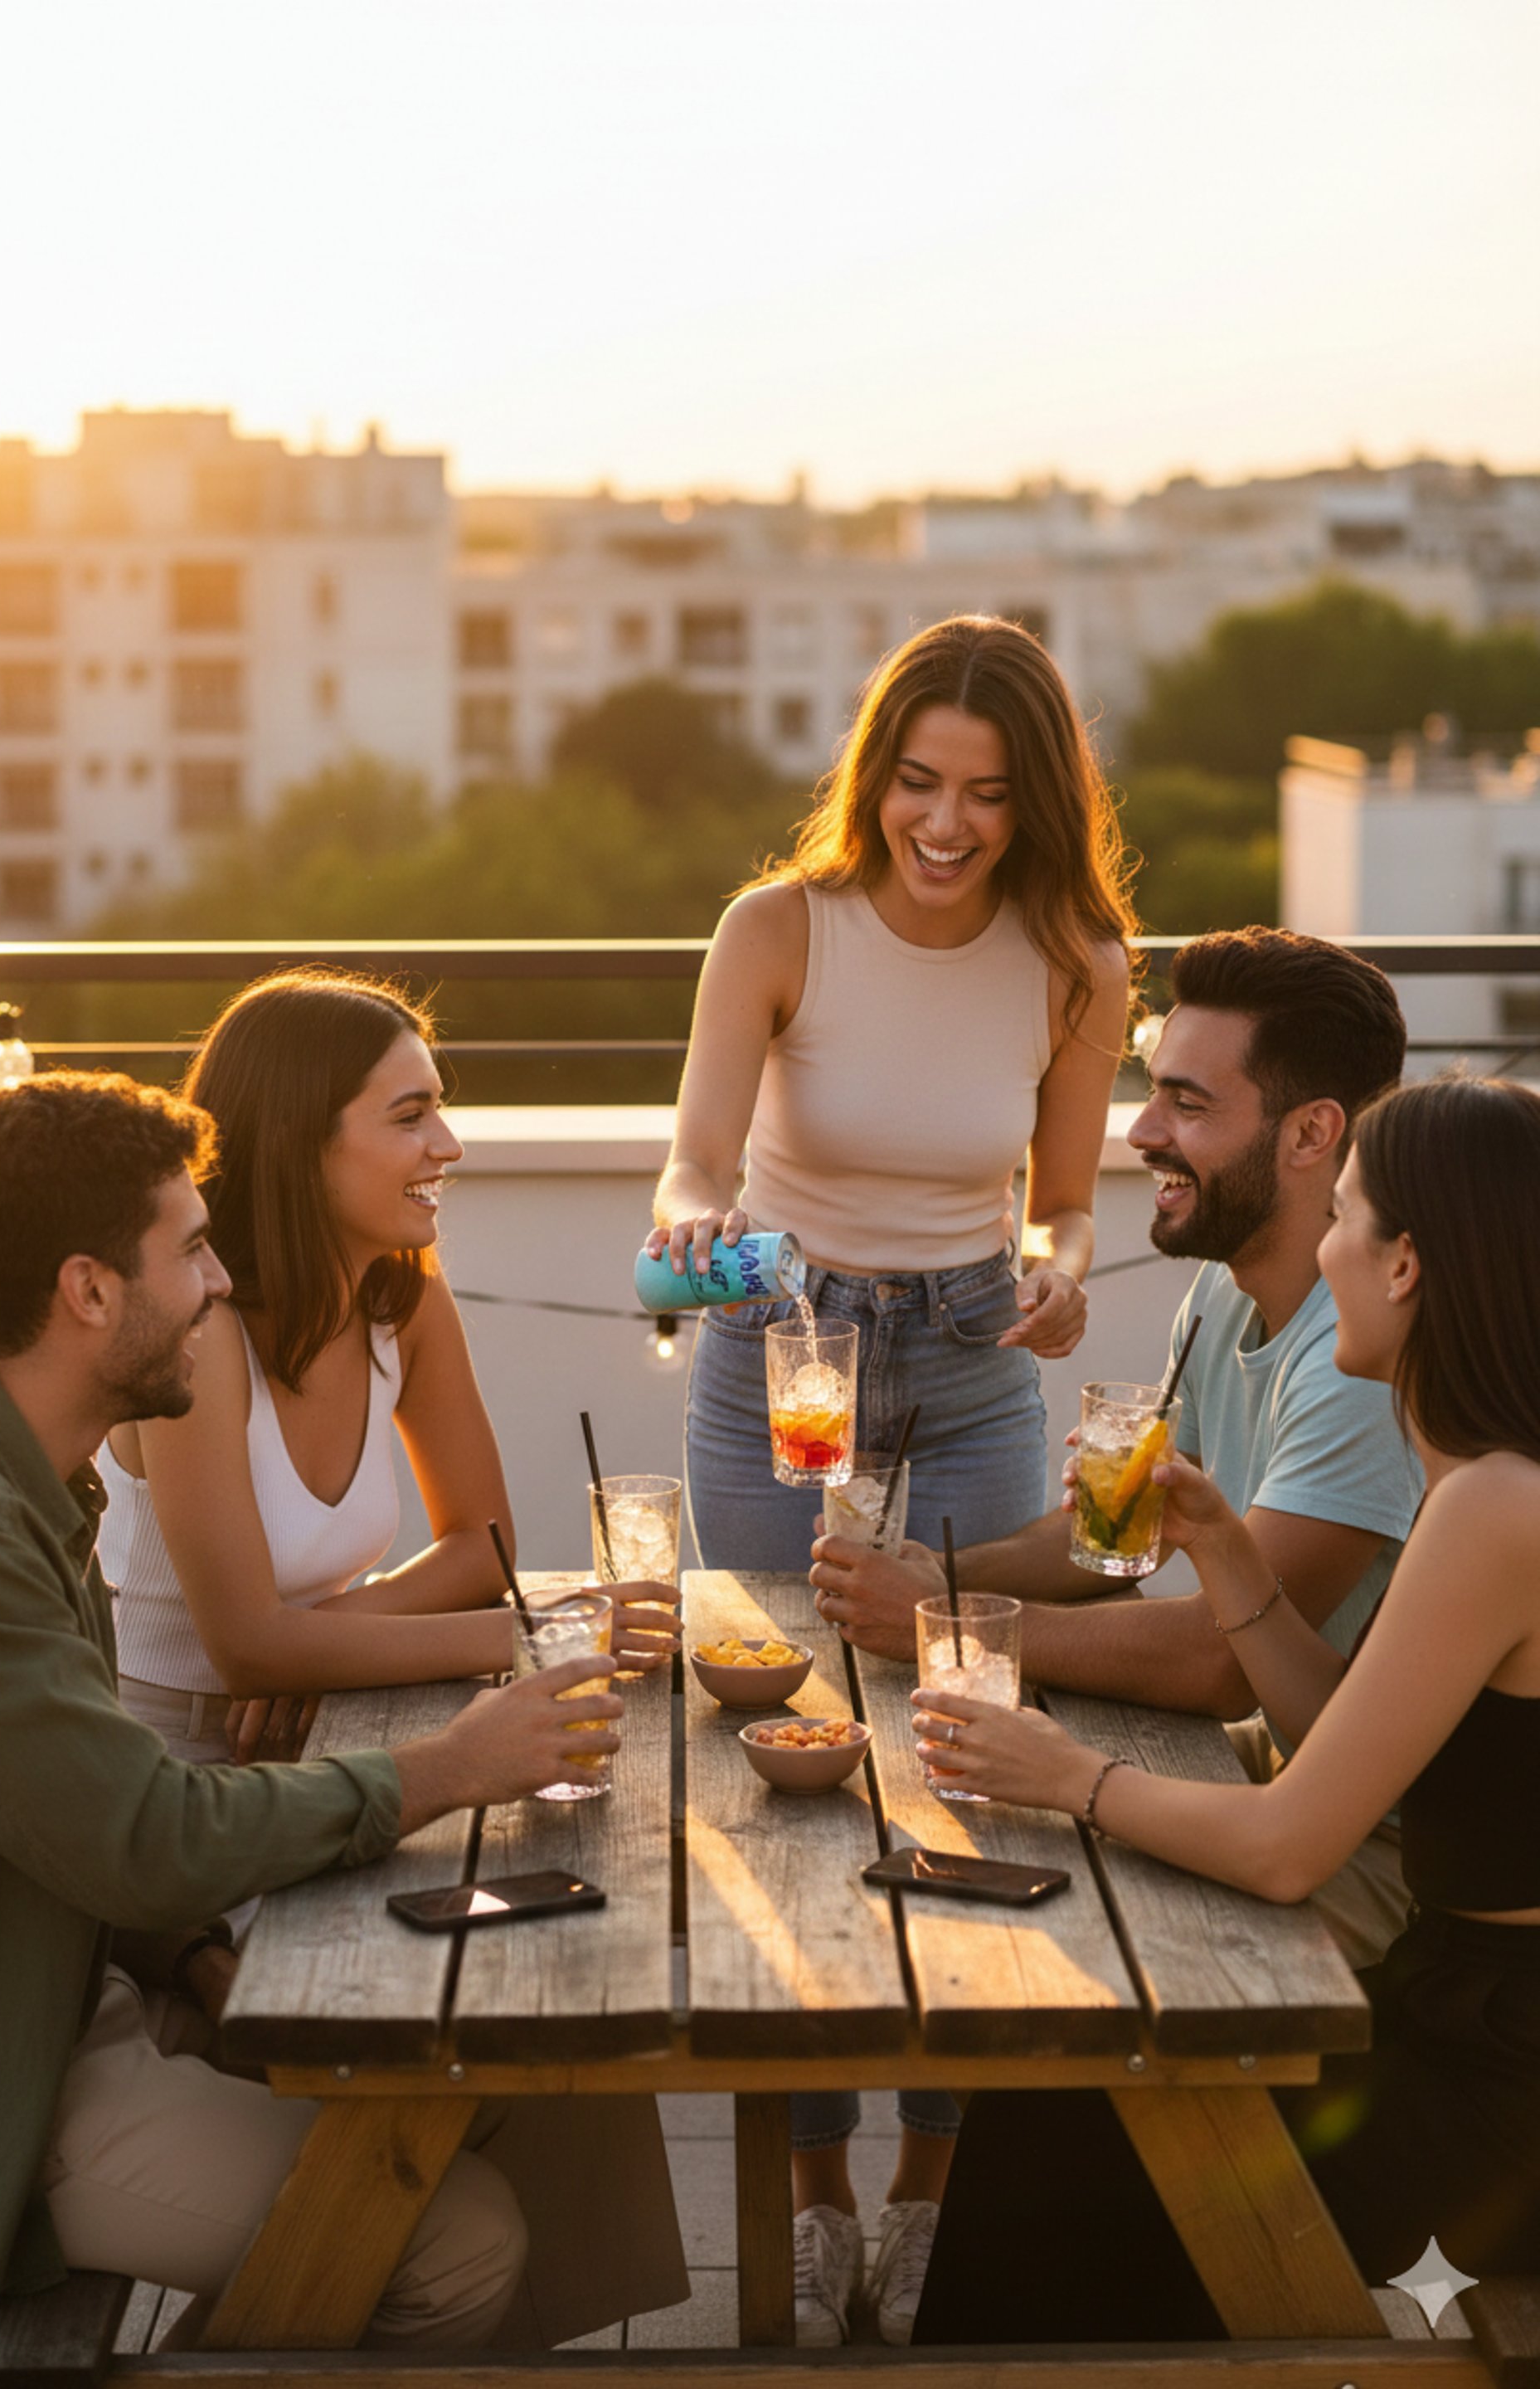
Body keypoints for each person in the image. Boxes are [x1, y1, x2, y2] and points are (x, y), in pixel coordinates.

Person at [0, 1070, 687, 2348]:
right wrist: (445, 1769)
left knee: (541, 2075)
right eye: (189, 1253)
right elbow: (138, 1827)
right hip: (1, 2085)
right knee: (458, 2241)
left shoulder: (32, 1481)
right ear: (88, 1292)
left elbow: (63, 1815)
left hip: (99, 1982)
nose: (219, 1284)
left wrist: (187, 1952)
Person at [646, 615, 1135, 2344]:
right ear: (877, 775)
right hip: (792, 1356)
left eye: (989, 795)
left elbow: (1063, 1196)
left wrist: (1062, 1258)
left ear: (1038, 803)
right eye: (920, 782)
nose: (947, 824)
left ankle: (934, 2185)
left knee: (962, 1740)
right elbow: (702, 1154)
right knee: (790, 1743)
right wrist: (695, 1220)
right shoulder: (779, 927)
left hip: (975, 1362)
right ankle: (812, 2191)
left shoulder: (1078, 952)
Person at [910, 1072, 1540, 2341]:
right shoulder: (1487, 1482)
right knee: (1071, 2097)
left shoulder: (1496, 1508)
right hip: (1462, 2014)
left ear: (1405, 1264)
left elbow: (1289, 1843)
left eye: (1344, 1217)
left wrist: (1065, 1776)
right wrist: (1230, 1557)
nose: (1323, 1248)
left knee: (1074, 2124)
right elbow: (1364, 1755)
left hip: (1497, 2096)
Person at [812, 927, 1422, 1968]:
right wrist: (943, 1576)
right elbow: (1119, 1529)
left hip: (1381, 1842)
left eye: (1188, 1103)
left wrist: (948, 1624)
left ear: (1311, 1133)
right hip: (1277, 1772)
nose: (1140, 1130)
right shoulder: (1227, 1287)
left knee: (1064, 1948)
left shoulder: (1359, 1362)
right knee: (983, 1864)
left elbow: (1218, 1662)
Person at [104, 969, 675, 1766]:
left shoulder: (404, 1299)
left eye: (439, 1108)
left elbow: (483, 1547)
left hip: (343, 1718)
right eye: (411, 1117)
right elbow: (248, 1655)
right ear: (299, 1140)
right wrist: (546, 1630)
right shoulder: (198, 1332)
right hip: (175, 1761)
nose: (450, 1144)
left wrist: (329, 1633)